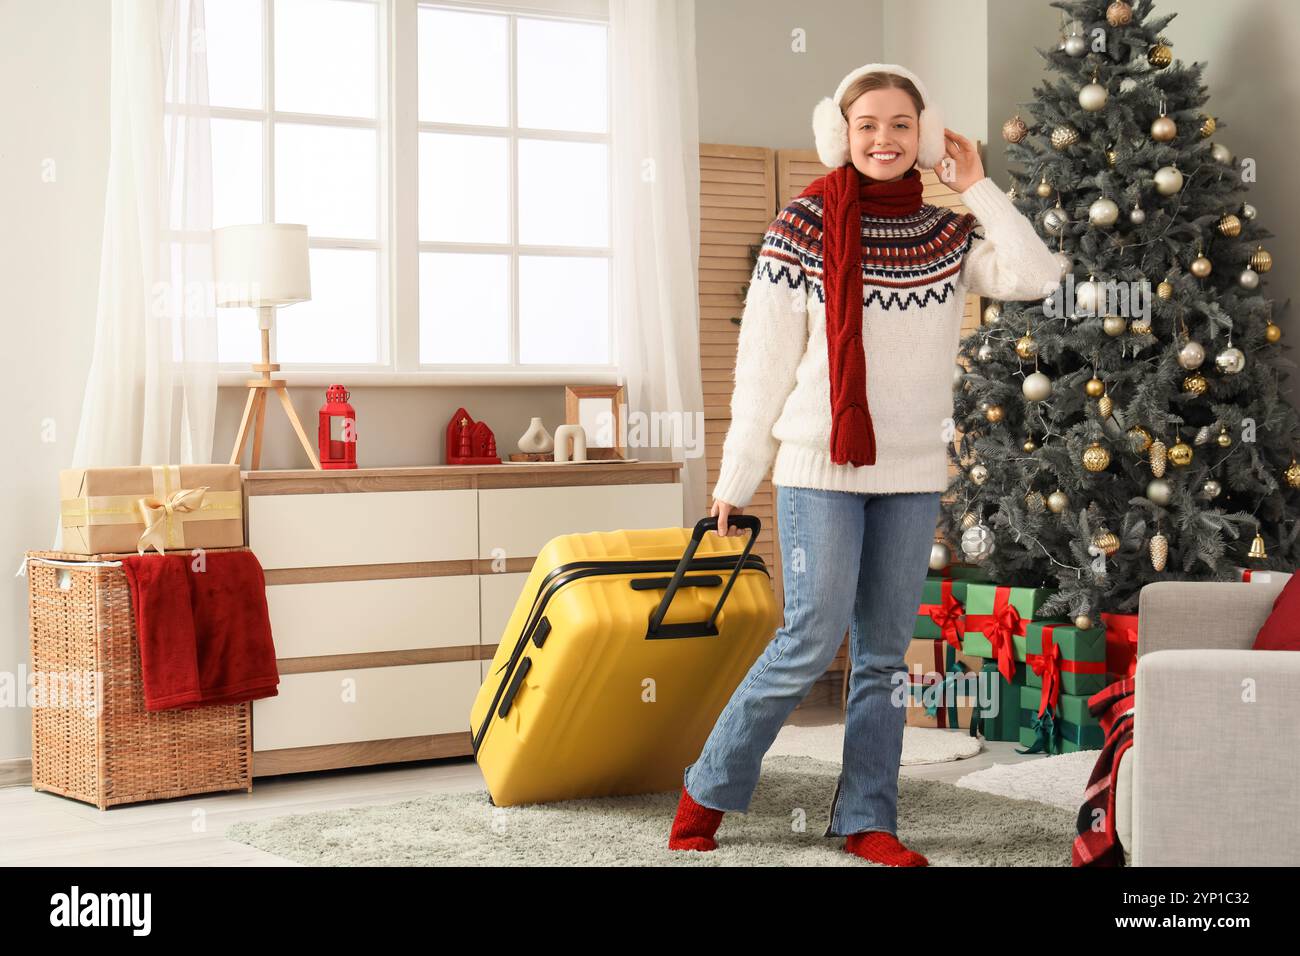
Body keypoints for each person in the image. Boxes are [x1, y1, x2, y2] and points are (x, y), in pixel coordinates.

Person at [667, 62, 1064, 865]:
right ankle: (707, 788)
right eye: (867, 125)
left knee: (883, 657)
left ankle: (866, 820)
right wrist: (736, 479)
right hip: (820, 467)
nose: (884, 139)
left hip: (911, 474)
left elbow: (1034, 274)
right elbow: (765, 364)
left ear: (925, 137)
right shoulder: (803, 227)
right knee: (809, 638)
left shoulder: (947, 235)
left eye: (901, 126)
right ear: (840, 135)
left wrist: (977, 185)